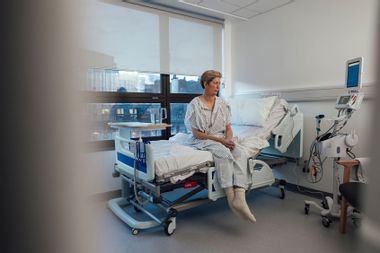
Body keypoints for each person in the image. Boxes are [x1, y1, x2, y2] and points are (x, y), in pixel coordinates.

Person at [184, 70, 256, 223]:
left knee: (240, 153)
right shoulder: (195, 104)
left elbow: (228, 127)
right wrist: (222, 143)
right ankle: (231, 199)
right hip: (203, 139)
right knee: (223, 153)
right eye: (215, 83)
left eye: (219, 83)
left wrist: (228, 140)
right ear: (205, 84)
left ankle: (240, 197)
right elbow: (196, 133)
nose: (218, 86)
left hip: (222, 138)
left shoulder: (222, 103)